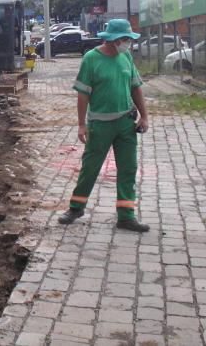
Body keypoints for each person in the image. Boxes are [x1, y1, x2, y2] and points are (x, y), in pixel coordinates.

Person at [58, 18, 150, 232]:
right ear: (114, 39)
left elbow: (136, 87)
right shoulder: (91, 59)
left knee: (128, 169)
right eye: (125, 39)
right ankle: (76, 208)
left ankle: (126, 216)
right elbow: (83, 94)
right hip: (100, 125)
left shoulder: (126, 56)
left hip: (126, 124)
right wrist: (81, 125)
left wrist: (144, 116)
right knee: (90, 167)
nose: (128, 43)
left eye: (129, 39)